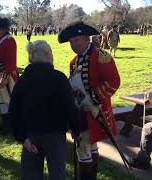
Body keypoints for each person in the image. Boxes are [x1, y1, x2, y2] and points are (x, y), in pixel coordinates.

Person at [9, 40, 81, 180]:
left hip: (31, 136)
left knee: (31, 176)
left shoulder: (23, 80)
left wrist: (22, 137)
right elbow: (70, 108)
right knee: (57, 175)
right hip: (55, 136)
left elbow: (13, 111)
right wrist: (76, 129)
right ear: (48, 55)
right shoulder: (59, 78)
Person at [58, 21, 121, 179]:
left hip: (95, 110)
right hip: (81, 112)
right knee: (88, 144)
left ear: (87, 39)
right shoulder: (74, 62)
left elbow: (114, 82)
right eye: (71, 42)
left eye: (77, 40)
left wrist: (93, 98)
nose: (74, 44)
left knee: (84, 147)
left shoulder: (101, 56)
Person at [0, 8, 19, 134]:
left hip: (6, 77)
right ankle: (5, 123)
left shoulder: (9, 40)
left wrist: (5, 77)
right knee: (1, 101)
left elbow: (11, 62)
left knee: (10, 101)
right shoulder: (0, 40)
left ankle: (14, 125)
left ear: (1, 28)